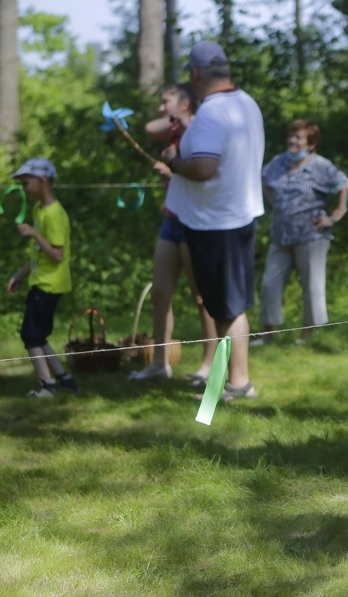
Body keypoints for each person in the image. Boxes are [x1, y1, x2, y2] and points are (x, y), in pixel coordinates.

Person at [158, 41, 265, 401]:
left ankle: (238, 383)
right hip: (237, 217)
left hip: (216, 224)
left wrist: (173, 160)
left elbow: (204, 168)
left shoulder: (212, 113)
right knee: (231, 305)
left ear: (195, 74)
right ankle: (234, 380)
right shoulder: (247, 103)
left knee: (227, 308)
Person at [130, 83, 218, 384]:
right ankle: (159, 362)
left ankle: (208, 364)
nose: (160, 107)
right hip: (171, 219)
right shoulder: (175, 130)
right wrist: (174, 119)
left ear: (185, 103)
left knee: (201, 297)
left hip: (195, 220)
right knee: (160, 293)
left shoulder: (201, 132)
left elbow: (207, 174)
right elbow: (149, 127)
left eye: (165, 101)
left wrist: (173, 168)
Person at [252, 119, 348, 345]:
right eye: (291, 136)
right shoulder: (278, 163)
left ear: (311, 144)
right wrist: (276, 205)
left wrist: (333, 218)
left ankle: (307, 336)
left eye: (299, 137)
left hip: (311, 236)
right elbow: (263, 180)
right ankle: (267, 333)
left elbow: (347, 190)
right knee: (270, 282)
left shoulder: (321, 166)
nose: (292, 141)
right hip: (281, 234)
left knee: (311, 285)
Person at [5, 158, 79, 398]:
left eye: (26, 184)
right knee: (38, 334)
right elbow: (38, 256)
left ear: (42, 181)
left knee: (30, 335)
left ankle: (48, 385)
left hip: (50, 284)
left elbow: (57, 255)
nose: (25, 189)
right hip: (40, 281)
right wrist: (19, 275)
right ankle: (64, 379)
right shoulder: (39, 210)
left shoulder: (55, 215)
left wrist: (35, 234)